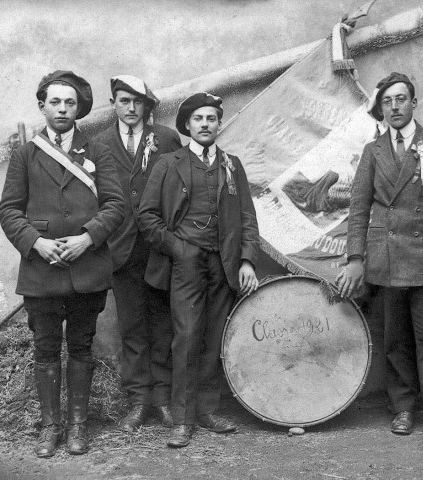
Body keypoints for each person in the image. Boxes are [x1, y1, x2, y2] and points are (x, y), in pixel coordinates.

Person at [337, 72, 423, 452]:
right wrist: (355, 258)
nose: (394, 107)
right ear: (381, 109)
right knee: (395, 342)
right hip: (388, 258)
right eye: (387, 102)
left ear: (414, 103)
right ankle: (403, 408)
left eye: (401, 99)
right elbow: (359, 210)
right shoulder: (373, 151)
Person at [0, 70, 125, 457]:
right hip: (42, 271)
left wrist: (88, 237)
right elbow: (9, 210)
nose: (62, 109)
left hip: (88, 270)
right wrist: (36, 242)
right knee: (46, 349)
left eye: (70, 102)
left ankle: (78, 428)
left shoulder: (98, 150)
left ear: (79, 109)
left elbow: (117, 204)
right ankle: (50, 429)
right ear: (42, 106)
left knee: (82, 348)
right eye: (55, 102)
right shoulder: (25, 153)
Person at [137, 92, 260, 448]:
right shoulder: (168, 164)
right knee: (187, 337)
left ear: (219, 124)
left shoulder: (232, 165)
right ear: (187, 126)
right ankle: (182, 420)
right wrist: (179, 249)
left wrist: (247, 260)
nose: (205, 125)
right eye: (198, 119)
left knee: (214, 336)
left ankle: (207, 411)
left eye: (211, 119)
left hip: (223, 263)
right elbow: (147, 217)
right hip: (185, 264)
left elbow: (248, 219)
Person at [93, 75, 182, 432]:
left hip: (159, 249)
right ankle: (138, 401)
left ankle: (163, 399)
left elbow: (179, 189)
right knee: (131, 327)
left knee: (163, 325)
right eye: (123, 101)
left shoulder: (166, 138)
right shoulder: (99, 144)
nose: (130, 109)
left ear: (147, 105)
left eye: (137, 102)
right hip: (120, 249)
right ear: (113, 103)